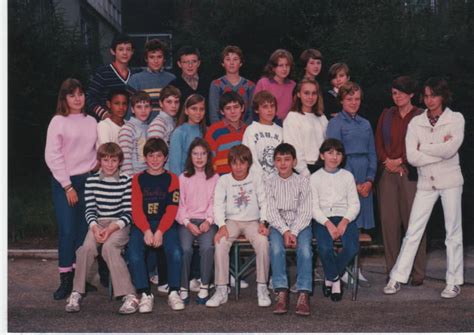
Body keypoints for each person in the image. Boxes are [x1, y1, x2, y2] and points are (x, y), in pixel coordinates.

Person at [384, 78, 465, 299]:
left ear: (443, 96)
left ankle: (453, 282)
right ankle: (397, 277)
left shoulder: (456, 118)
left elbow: (451, 150)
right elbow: (411, 156)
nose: (430, 100)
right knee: (412, 232)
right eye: (427, 96)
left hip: (450, 181)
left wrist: (426, 148)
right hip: (425, 183)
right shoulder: (416, 122)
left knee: (453, 233)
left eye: (434, 95)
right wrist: (437, 148)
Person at [65, 143, 138, 314]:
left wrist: (111, 228)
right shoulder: (91, 181)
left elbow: (128, 212)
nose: (110, 164)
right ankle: (76, 292)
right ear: (99, 161)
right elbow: (90, 209)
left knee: (109, 248)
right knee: (86, 249)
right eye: (105, 160)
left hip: (119, 224)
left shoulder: (127, 180)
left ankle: (130, 295)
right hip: (98, 224)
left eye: (114, 160)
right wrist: (95, 227)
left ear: (120, 162)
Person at [45, 78, 98, 300]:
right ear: (64, 98)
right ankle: (65, 279)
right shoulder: (58, 121)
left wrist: (96, 166)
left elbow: (99, 148)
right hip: (64, 182)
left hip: (87, 181)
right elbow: (52, 155)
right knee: (67, 231)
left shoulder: (92, 121)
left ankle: (80, 280)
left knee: (83, 232)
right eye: (72, 94)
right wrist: (67, 186)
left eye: (80, 94)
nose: (78, 98)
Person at [375, 76, 426, 285]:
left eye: (402, 92)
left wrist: (402, 160)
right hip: (388, 172)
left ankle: (417, 272)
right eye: (394, 92)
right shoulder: (387, 115)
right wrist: (387, 160)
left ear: (412, 94)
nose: (397, 96)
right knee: (389, 224)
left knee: (414, 222)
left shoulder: (421, 116)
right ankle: (394, 272)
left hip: (411, 173)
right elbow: (377, 140)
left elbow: (424, 144)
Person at [206, 145, 271, 308]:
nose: (238, 167)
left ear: (248, 163)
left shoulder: (257, 177)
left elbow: (264, 201)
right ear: (230, 164)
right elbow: (218, 205)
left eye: (242, 163)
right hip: (232, 221)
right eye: (234, 163)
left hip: (253, 221)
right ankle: (221, 289)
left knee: (263, 242)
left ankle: (262, 287)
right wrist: (221, 225)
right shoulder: (224, 180)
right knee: (220, 242)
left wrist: (264, 222)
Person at [326, 81, 376, 283]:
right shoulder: (335, 123)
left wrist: (370, 180)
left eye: (357, 99)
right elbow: (335, 154)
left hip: (365, 175)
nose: (354, 102)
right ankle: (344, 268)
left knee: (360, 224)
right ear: (341, 100)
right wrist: (353, 183)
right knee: (347, 222)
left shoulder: (365, 124)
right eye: (349, 99)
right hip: (345, 174)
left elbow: (372, 153)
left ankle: (356, 266)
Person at [127, 138, 184, 311]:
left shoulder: (172, 178)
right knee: (134, 253)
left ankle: (174, 291)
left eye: (159, 156)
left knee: (175, 251)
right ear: (145, 158)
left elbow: (172, 209)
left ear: (165, 158)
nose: (155, 159)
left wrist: (159, 231)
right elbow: (136, 210)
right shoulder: (137, 179)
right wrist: (146, 231)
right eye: (151, 155)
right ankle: (145, 293)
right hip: (142, 224)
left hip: (164, 224)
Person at [311, 138, 360, 302]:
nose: (334, 157)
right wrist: (328, 224)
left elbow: (354, 204)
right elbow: (313, 207)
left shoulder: (347, 176)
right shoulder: (315, 178)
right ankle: (336, 280)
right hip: (322, 219)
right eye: (330, 153)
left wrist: (345, 221)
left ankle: (330, 277)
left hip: (345, 217)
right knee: (324, 248)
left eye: (338, 153)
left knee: (352, 247)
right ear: (322, 155)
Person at [266, 143, 313, 316]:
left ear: (294, 161)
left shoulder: (303, 181)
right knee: (277, 249)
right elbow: (270, 210)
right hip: (278, 225)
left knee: (305, 251)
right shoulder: (269, 182)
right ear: (274, 162)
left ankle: (303, 293)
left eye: (287, 159)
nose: (283, 164)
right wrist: (285, 231)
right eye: (278, 160)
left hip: (301, 225)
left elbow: (306, 211)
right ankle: (281, 292)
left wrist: (293, 231)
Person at [176, 138, 220, 305]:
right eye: (195, 154)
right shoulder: (183, 177)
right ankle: (183, 286)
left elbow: (215, 202)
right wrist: (187, 223)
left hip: (207, 220)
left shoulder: (215, 177)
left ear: (208, 156)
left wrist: (209, 220)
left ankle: (204, 285)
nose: (199, 157)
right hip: (187, 221)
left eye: (203, 154)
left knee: (207, 247)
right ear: (190, 156)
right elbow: (180, 204)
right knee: (185, 249)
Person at [283, 78, 327, 177]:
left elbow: (327, 144)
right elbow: (293, 148)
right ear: (298, 94)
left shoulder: (322, 117)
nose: (310, 97)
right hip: (303, 171)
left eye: (314, 93)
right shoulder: (292, 117)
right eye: (306, 93)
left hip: (322, 168)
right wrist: (305, 173)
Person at [86, 34, 135, 121]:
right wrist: (104, 114)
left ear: (132, 52)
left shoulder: (135, 76)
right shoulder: (103, 73)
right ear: (113, 51)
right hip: (108, 125)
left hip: (129, 126)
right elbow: (89, 98)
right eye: (120, 49)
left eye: (128, 49)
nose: (125, 53)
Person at [128, 39, 176, 121]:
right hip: (143, 129)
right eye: (151, 57)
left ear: (164, 59)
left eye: (159, 57)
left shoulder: (172, 79)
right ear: (146, 59)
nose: (156, 61)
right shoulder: (135, 80)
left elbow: (175, 107)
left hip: (167, 128)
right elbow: (130, 110)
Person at [208, 45, 255, 124]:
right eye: (228, 59)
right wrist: (219, 130)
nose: (232, 63)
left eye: (235, 59)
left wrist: (246, 130)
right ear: (223, 63)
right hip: (222, 131)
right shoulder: (216, 84)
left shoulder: (250, 86)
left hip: (245, 131)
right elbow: (214, 114)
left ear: (241, 63)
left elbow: (252, 113)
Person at [242, 90, 283, 179]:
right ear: (256, 110)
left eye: (272, 106)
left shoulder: (281, 131)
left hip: (278, 180)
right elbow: (249, 157)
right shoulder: (251, 130)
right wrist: (260, 178)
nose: (270, 110)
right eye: (265, 107)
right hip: (257, 180)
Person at [205, 91, 247, 175]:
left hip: (244, 181)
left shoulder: (248, 130)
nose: (233, 111)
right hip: (220, 181)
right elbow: (208, 159)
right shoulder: (214, 130)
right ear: (222, 111)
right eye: (228, 108)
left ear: (242, 108)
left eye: (236, 107)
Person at [254, 49, 296, 124]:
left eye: (287, 65)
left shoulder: (293, 85)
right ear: (273, 68)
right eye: (281, 65)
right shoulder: (263, 83)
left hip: (287, 127)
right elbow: (254, 108)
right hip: (265, 126)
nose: (284, 69)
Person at [168, 94, 207, 176]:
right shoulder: (179, 133)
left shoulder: (206, 131)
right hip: (185, 180)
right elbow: (174, 165)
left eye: (202, 109)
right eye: (194, 109)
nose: (198, 112)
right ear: (186, 111)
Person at [169, 46, 209, 122]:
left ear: (198, 63)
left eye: (193, 61)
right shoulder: (173, 86)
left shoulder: (208, 83)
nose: (190, 65)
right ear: (179, 64)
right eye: (185, 62)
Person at [118, 91, 151, 176]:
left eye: (146, 106)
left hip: (148, 175)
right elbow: (125, 161)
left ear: (151, 108)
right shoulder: (127, 129)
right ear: (132, 109)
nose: (143, 111)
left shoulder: (149, 128)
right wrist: (131, 183)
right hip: (134, 178)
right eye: (139, 107)